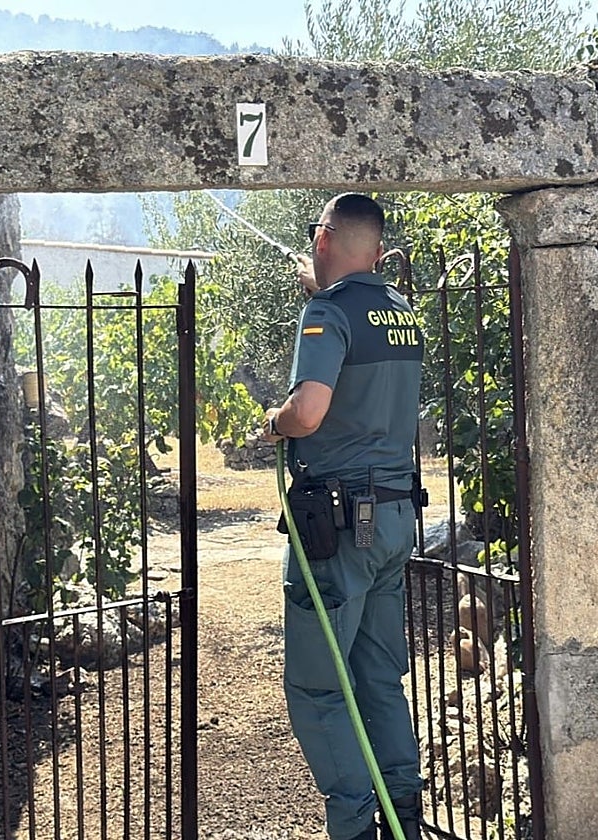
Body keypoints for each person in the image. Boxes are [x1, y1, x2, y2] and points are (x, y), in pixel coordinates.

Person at [261, 193, 424, 840]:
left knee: (320, 687)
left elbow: (309, 412)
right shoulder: (401, 312)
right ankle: (403, 816)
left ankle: (355, 827)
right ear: (378, 252)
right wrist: (327, 291)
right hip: (394, 517)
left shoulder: (326, 313)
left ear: (323, 239)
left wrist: (275, 423)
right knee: (379, 677)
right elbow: (364, 334)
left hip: (339, 529)